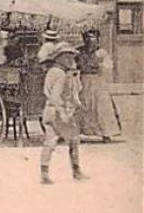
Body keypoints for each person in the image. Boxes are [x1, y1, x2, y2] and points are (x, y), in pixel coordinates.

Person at [39, 36, 86, 184]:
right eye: (67, 55)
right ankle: (76, 172)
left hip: (50, 110)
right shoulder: (59, 74)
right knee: (71, 140)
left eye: (71, 55)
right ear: (60, 57)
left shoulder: (56, 71)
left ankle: (45, 173)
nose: (71, 58)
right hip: (57, 111)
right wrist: (63, 112)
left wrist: (78, 104)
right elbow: (55, 96)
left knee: (51, 142)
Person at [78, 29, 122, 142]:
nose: (89, 40)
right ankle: (80, 133)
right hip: (83, 80)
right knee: (83, 105)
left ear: (97, 39)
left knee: (101, 106)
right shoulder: (79, 51)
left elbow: (109, 65)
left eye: (92, 37)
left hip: (97, 81)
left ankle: (106, 134)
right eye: (87, 37)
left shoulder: (101, 52)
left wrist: (100, 64)